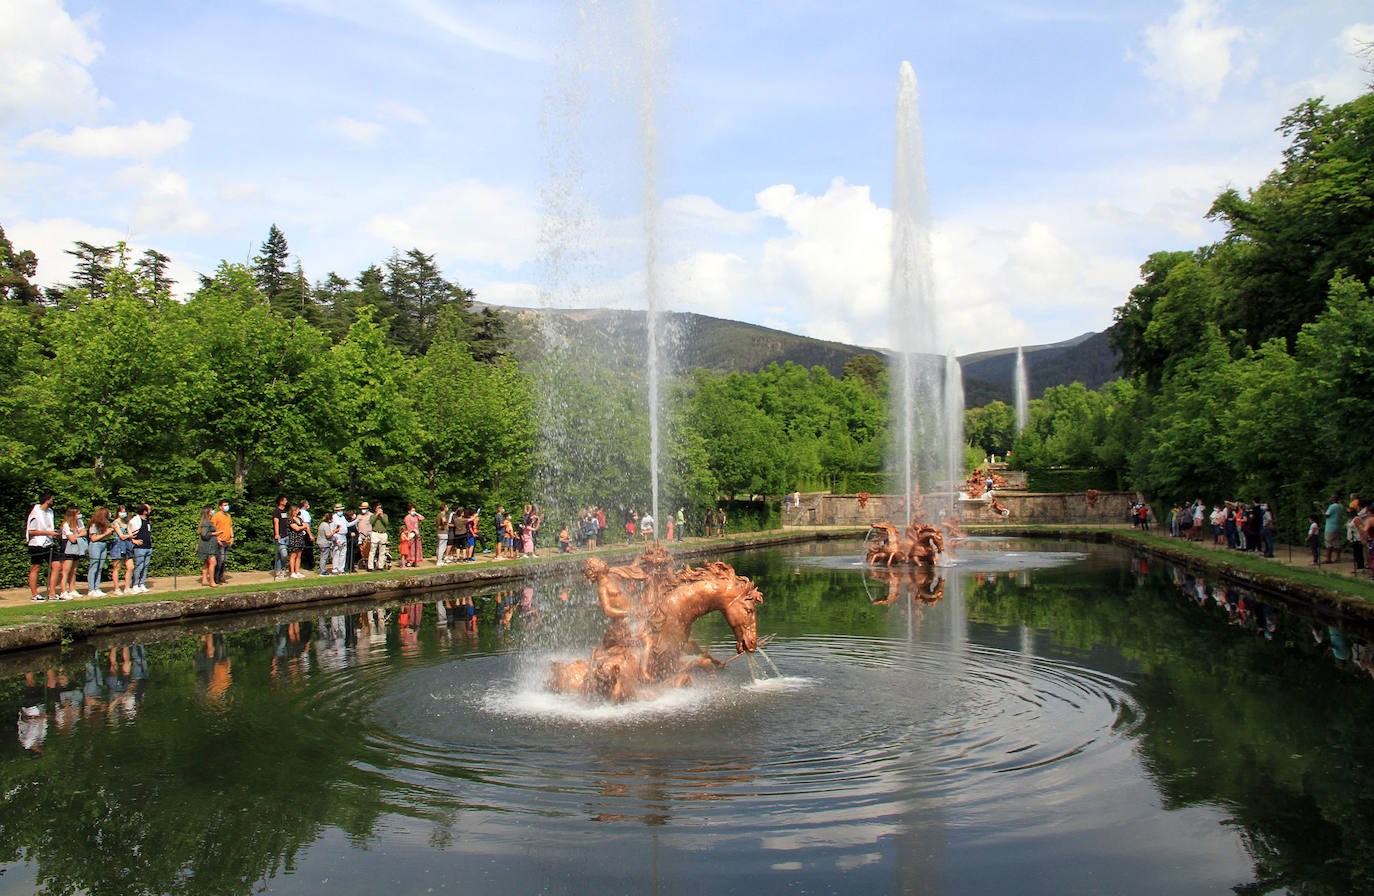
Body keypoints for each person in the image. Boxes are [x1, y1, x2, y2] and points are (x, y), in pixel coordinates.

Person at [25, 492, 58, 602]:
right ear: (47, 500)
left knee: (56, 566)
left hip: (49, 543)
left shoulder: (50, 512)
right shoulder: (36, 513)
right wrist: (48, 533)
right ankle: (34, 594)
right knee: (36, 567)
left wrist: (52, 533)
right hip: (37, 544)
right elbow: (31, 531)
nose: (52, 501)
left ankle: (52, 593)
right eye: (51, 499)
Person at [57, 506, 85, 600]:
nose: (79, 515)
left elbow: (84, 532)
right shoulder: (66, 525)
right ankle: (63, 591)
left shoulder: (79, 522)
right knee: (66, 570)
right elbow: (71, 539)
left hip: (77, 546)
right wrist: (78, 535)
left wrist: (76, 535)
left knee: (74, 570)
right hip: (68, 546)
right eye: (78, 513)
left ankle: (72, 589)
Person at [86, 507, 112, 597]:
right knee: (94, 566)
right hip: (95, 545)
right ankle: (91, 589)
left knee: (100, 568)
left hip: (103, 544)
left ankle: (97, 588)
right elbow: (93, 538)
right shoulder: (94, 525)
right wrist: (105, 533)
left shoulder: (105, 524)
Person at [110, 505, 135, 595]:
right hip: (118, 545)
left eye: (124, 512)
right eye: (121, 512)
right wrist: (130, 536)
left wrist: (131, 537)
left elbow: (130, 534)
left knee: (130, 567)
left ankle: (127, 587)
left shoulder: (126, 523)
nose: (123, 513)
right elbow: (121, 536)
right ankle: (116, 588)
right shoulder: (115, 523)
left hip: (127, 544)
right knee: (117, 567)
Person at [128, 504, 152, 593]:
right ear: (144, 511)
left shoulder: (147, 521)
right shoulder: (135, 521)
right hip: (140, 547)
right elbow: (129, 531)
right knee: (139, 566)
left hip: (148, 546)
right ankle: (135, 584)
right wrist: (133, 540)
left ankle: (142, 583)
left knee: (145, 566)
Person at [211, 500, 234, 584]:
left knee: (224, 561)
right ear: (220, 507)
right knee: (219, 560)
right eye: (224, 505)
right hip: (220, 541)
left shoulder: (228, 516)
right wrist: (217, 538)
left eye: (227, 505)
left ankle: (221, 577)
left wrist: (232, 537)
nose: (226, 507)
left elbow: (230, 526)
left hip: (227, 541)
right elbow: (212, 529)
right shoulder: (216, 516)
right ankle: (216, 578)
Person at [196, 506, 219, 587]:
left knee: (206, 562)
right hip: (207, 546)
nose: (213, 511)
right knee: (213, 562)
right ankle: (212, 581)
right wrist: (216, 533)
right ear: (208, 512)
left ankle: (204, 580)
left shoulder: (208, 521)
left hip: (210, 544)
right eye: (211, 510)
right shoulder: (206, 522)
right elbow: (205, 534)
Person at [287, 504, 309, 578]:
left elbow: (305, 526)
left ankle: (297, 571)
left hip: (300, 538)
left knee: (299, 555)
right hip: (294, 538)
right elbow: (296, 528)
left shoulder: (299, 518)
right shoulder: (290, 519)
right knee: (293, 555)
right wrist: (304, 526)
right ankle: (292, 572)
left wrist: (304, 526)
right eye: (296, 510)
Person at [272, 495, 290, 580]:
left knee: (281, 554)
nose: (286, 502)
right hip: (280, 536)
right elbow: (276, 522)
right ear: (281, 501)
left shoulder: (284, 511)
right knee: (283, 554)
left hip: (286, 536)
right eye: (285, 500)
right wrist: (277, 534)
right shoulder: (276, 511)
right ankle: (279, 570)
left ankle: (281, 571)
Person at [1324, 494, 1345, 564]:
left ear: (1333, 499)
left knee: (1328, 542)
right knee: (1337, 542)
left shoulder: (1332, 506)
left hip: (1330, 527)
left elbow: (1326, 515)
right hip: (1337, 526)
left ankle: (1328, 558)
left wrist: (1322, 510)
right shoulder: (1341, 506)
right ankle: (1338, 557)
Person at [369, 503, 389, 570]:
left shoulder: (385, 515)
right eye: (378, 508)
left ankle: (381, 566)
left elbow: (386, 523)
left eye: (380, 508)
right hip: (375, 533)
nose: (379, 509)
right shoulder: (372, 516)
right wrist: (376, 515)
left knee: (382, 551)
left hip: (383, 533)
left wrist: (382, 516)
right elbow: (371, 522)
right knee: (372, 550)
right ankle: (370, 566)